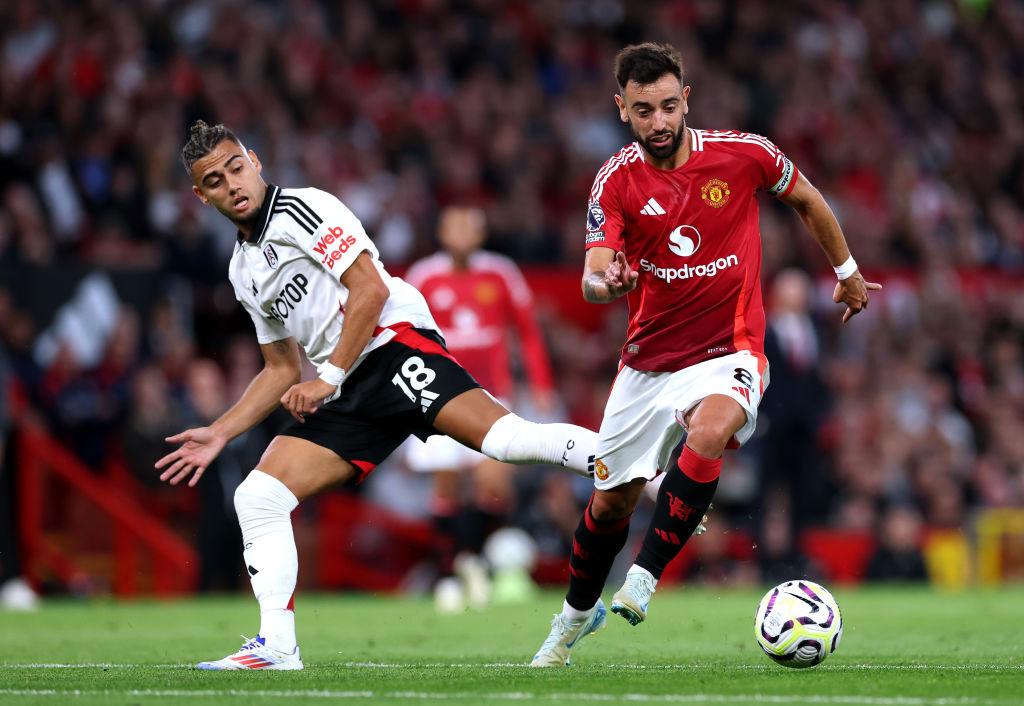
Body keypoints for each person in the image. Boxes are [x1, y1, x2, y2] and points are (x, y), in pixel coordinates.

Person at [158, 121, 598, 670]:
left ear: (255, 160)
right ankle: (276, 646)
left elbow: (371, 288)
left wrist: (330, 377)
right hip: (347, 383)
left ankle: (634, 466)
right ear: (201, 195)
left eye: (237, 168)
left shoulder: (303, 209)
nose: (233, 185)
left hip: (392, 346)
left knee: (508, 442)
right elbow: (279, 367)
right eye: (216, 181)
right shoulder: (242, 269)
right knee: (259, 497)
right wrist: (221, 431)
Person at [530, 43, 881, 668]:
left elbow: (808, 199)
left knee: (712, 426)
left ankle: (645, 576)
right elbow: (591, 273)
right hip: (647, 365)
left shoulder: (745, 154)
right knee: (609, 503)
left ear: (686, 98)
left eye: (669, 105)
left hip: (731, 346)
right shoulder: (614, 181)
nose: (659, 121)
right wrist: (602, 283)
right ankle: (574, 616)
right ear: (622, 109)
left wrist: (848, 270)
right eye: (643, 111)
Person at [403, 205, 557, 612]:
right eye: (455, 224)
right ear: (441, 230)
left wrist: (540, 384)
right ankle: (450, 573)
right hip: (437, 394)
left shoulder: (501, 273)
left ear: (482, 232)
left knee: (494, 483)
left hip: (492, 394)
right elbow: (401, 334)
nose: (463, 233)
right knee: (446, 485)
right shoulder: (423, 277)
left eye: (471, 225)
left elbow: (527, 330)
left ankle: (489, 568)